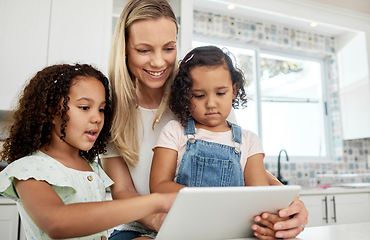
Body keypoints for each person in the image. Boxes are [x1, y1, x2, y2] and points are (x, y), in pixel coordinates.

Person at [102, 0, 308, 239]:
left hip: (216, 224)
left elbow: (248, 167)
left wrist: (294, 206)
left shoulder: (204, 97)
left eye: (168, 48)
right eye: (144, 50)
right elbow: (123, 191)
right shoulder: (108, 110)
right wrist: (162, 222)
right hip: (140, 225)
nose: (158, 62)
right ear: (124, 48)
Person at [0, 64, 175, 240]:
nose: (97, 118)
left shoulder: (91, 167)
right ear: (52, 111)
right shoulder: (29, 170)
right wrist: (156, 201)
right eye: (84, 107)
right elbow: (57, 222)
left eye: (101, 109)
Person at [150, 46, 270, 194]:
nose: (211, 104)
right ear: (185, 96)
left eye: (220, 93)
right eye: (199, 95)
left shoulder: (249, 141)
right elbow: (158, 186)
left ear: (234, 90)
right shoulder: (174, 131)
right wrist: (206, 200)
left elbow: (259, 195)